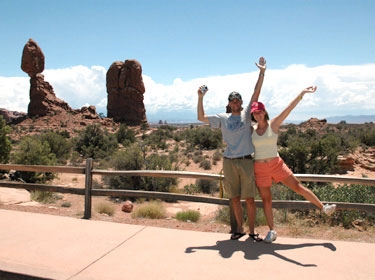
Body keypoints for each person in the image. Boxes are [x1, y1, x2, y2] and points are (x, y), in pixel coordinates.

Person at [250, 86, 337, 243]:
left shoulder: (273, 124)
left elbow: (288, 109)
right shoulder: (252, 129)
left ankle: (324, 207)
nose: (258, 114)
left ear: (265, 112)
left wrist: (301, 94)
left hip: (276, 164)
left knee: (297, 187)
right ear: (253, 114)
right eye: (255, 112)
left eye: (260, 111)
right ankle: (271, 231)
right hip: (259, 168)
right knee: (266, 200)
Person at [197, 57, 266, 241]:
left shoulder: (245, 115)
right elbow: (201, 117)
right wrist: (200, 97)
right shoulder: (222, 117)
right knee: (234, 198)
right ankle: (239, 230)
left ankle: (252, 232)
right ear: (229, 103)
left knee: (250, 199)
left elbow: (256, 92)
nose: (235, 103)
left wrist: (262, 72)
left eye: (237, 100)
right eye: (232, 101)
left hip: (245, 161)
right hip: (229, 162)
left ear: (242, 103)